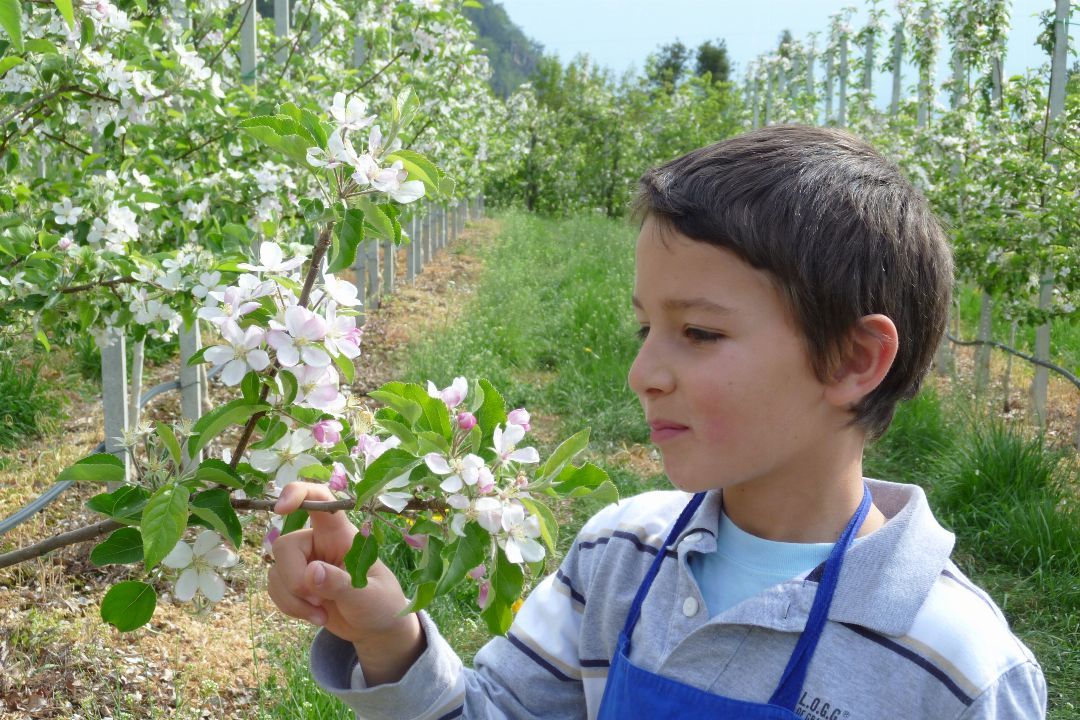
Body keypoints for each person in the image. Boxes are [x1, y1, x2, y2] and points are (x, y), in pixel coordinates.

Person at [267, 125, 1047, 719]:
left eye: (699, 333)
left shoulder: (953, 665)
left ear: (853, 360)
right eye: (646, 328)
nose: (644, 373)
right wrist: (384, 634)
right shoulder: (620, 554)